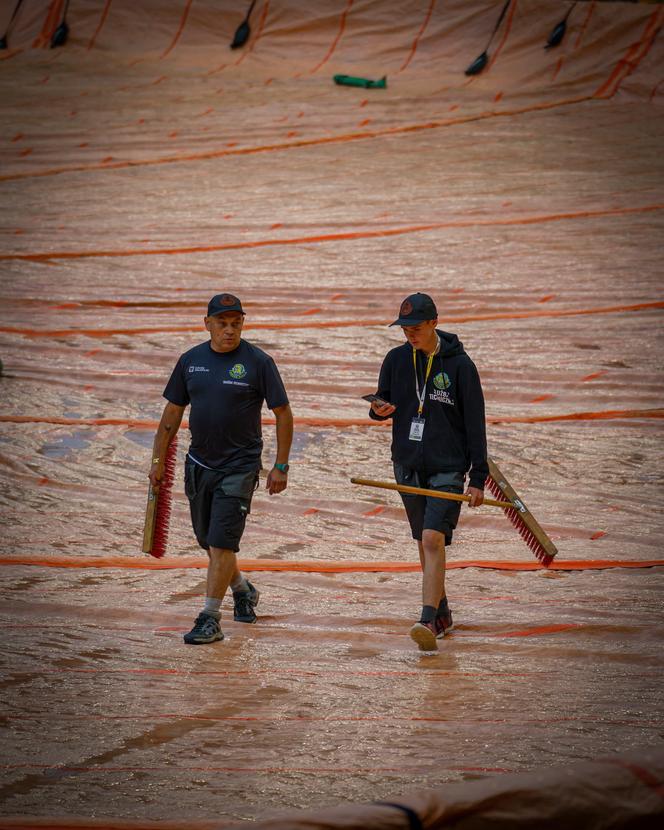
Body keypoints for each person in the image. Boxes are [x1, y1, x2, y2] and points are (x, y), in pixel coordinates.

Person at [149, 293, 293, 645]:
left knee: (222, 541)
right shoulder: (190, 361)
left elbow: (283, 414)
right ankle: (243, 590)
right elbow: (171, 415)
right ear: (207, 324)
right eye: (223, 323)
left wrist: (280, 466)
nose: (230, 330)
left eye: (236, 323)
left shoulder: (259, 362)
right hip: (198, 464)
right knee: (210, 542)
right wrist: (157, 461)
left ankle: (210, 617)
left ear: (243, 323)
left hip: (240, 467)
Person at [369, 293, 488, 651]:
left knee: (433, 539)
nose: (410, 335)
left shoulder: (461, 367)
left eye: (416, 328)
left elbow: (475, 425)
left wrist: (477, 477)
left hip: (448, 467)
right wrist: (379, 410)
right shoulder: (395, 359)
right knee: (423, 540)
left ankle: (426, 619)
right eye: (405, 329)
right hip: (406, 463)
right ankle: (442, 612)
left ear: (434, 323)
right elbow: (380, 403)